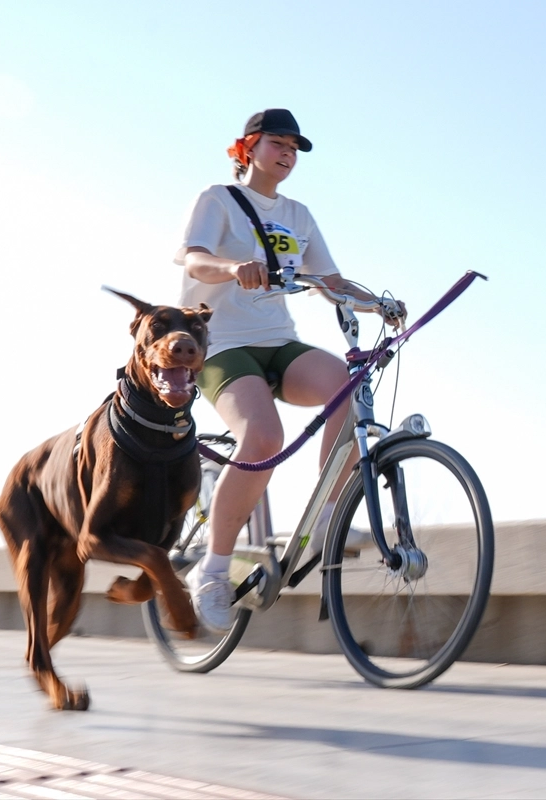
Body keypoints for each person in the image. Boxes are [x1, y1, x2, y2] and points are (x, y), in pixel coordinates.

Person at [174, 109, 402, 634]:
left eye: (294, 148)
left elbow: (331, 281)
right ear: (248, 148)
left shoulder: (298, 214)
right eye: (278, 143)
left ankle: (326, 518)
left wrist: (379, 303)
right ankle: (210, 572)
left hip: (279, 341)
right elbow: (192, 260)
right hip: (223, 344)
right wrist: (234, 268)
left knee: (351, 389)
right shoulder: (218, 199)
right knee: (264, 437)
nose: (287, 154)